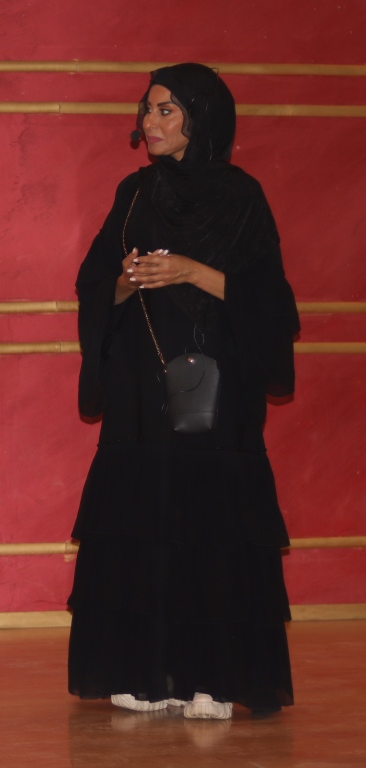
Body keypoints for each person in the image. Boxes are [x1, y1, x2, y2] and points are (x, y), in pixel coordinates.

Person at [68, 64, 299, 719]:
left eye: (165, 110)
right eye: (146, 109)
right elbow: (93, 284)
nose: (150, 122)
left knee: (210, 521)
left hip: (214, 388)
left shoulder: (241, 196)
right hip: (141, 391)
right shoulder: (134, 192)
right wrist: (126, 279)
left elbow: (271, 303)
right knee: (143, 520)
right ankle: (149, 673)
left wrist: (193, 271)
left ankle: (213, 680)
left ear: (201, 118)